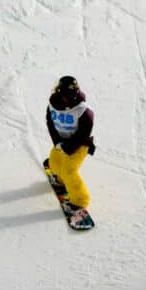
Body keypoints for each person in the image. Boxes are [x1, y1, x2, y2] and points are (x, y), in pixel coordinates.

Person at [45, 75, 96, 210]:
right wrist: (57, 142)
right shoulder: (52, 105)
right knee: (54, 162)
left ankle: (80, 200)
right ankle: (61, 179)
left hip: (79, 145)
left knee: (69, 170)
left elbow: (83, 134)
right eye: (67, 95)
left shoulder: (83, 111)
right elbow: (50, 123)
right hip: (62, 142)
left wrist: (67, 146)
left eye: (73, 94)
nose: (70, 98)